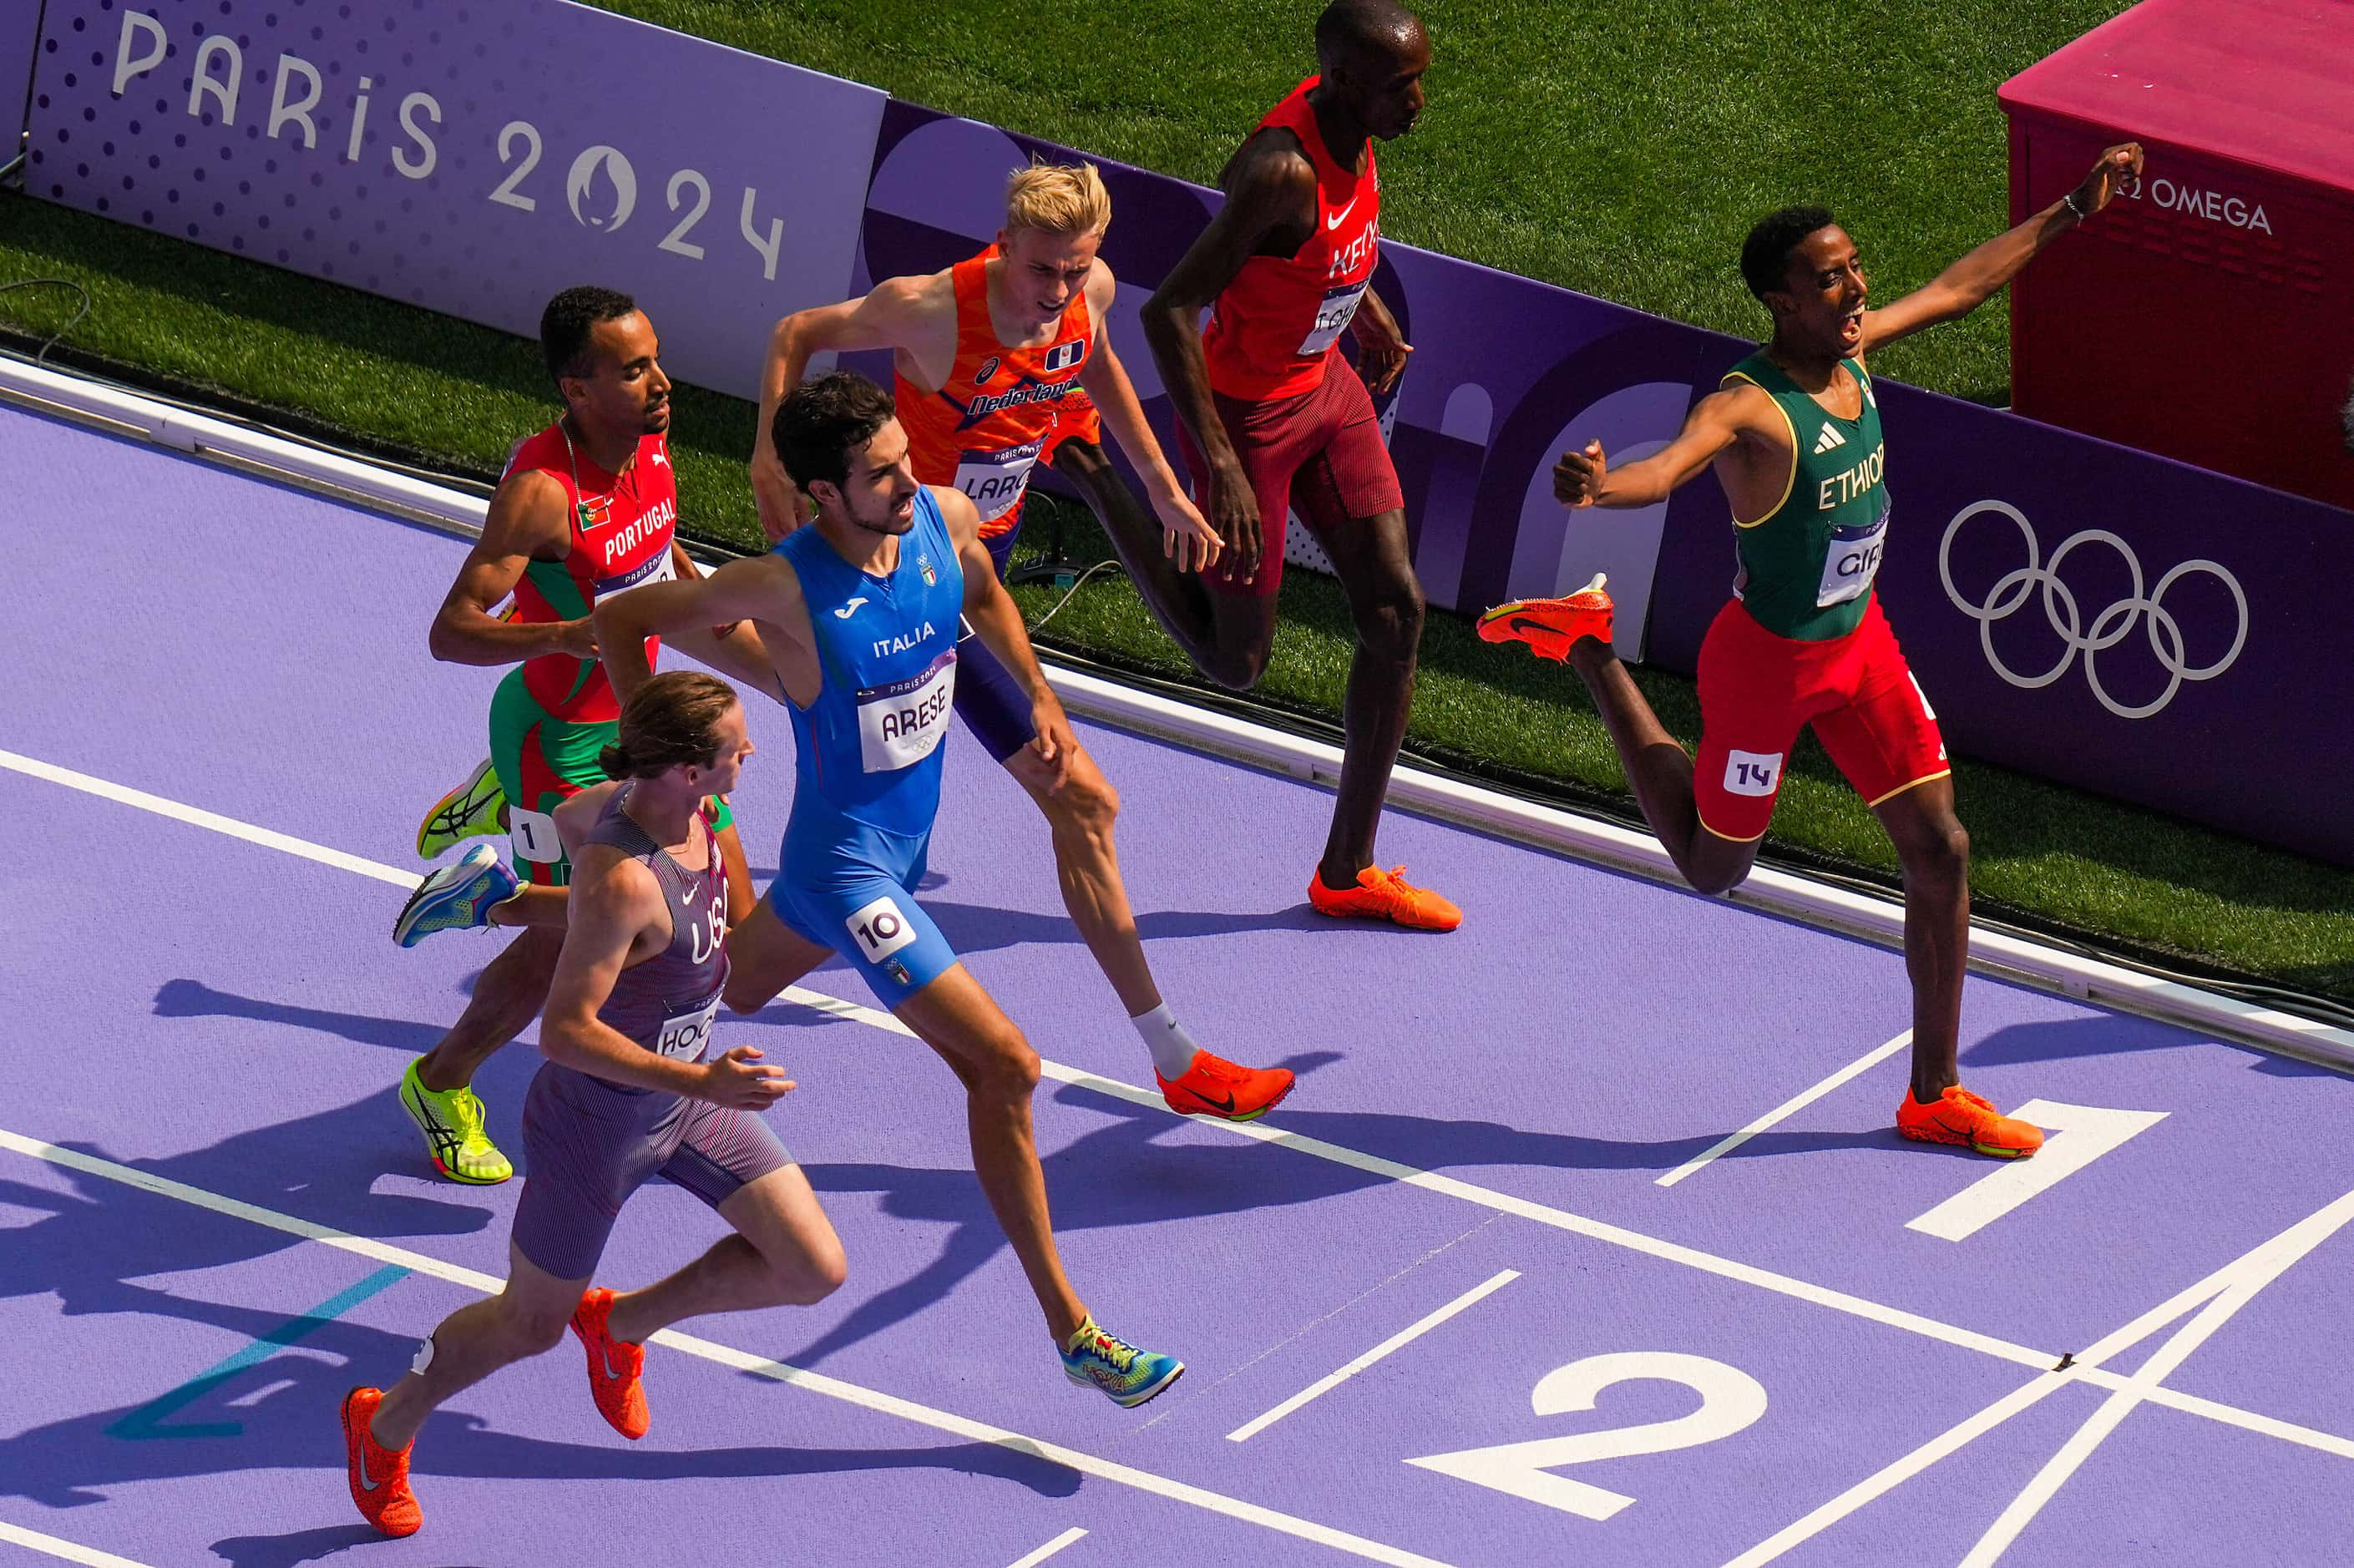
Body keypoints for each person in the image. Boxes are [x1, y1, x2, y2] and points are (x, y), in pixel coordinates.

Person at [1479, 144, 2147, 1161]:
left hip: (1860, 644)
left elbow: (1958, 288)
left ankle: (1933, 1092)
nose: (1855, 288)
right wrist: (1592, 489)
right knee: (1713, 868)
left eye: (1853, 269)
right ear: (1777, 300)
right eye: (1829, 277)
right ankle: (1589, 649)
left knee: (1941, 849)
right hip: (1765, 665)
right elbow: (1660, 474)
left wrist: (2073, 208)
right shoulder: (1744, 405)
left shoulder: (1854, 354)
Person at [595, 370, 1184, 1407]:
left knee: (727, 983)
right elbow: (628, 615)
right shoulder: (783, 584)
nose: (907, 483)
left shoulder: (942, 519)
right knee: (1004, 1069)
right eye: (878, 475)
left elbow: (986, 593)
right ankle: (1077, 1336)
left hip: (894, 857)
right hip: (849, 870)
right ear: (822, 492)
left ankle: (509, 903)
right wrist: (658, 777)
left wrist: (1039, 697)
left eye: (905, 460)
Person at [747, 161, 1291, 1120]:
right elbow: (798, 332)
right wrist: (769, 454)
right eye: (1042, 270)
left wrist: (1163, 485)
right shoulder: (926, 311)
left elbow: (1099, 364)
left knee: (1077, 804)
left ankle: (1174, 1060)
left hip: (965, 572)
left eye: (1075, 269)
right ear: (1004, 246)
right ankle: (1174, 1059)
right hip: (899, 577)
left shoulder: (1087, 296)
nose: (1058, 292)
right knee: (1072, 796)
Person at [343, 671, 844, 1538]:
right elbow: (565, 1033)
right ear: (686, 768)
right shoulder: (623, 881)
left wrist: (516, 902)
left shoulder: (681, 814)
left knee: (810, 1268)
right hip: (599, 1122)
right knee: (528, 1326)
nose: (751, 753)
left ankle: (620, 1325)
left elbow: (581, 817)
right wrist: (705, 1081)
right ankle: (382, 1426)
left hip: (682, 1101)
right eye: (735, 745)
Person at [387, 286, 767, 1186]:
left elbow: (662, 558)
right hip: (555, 738)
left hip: (637, 719)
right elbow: (451, 633)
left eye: (655, 358)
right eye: (634, 370)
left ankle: (499, 821)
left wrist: (722, 622)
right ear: (577, 388)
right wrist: (566, 634)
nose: (662, 382)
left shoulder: (650, 441)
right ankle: (442, 1075)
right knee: (573, 939)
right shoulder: (541, 495)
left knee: (736, 929)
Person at [1138, 0, 1452, 931]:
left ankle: (1347, 872)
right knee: (1236, 662)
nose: (1418, 102)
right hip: (1248, 420)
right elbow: (1168, 312)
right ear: (1343, 81)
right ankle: (1100, 476)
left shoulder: (1356, 123)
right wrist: (1219, 463)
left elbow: (1321, 246)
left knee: (1396, 613)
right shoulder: (1281, 170)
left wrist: (1361, 307)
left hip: (1327, 391)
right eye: (1402, 87)